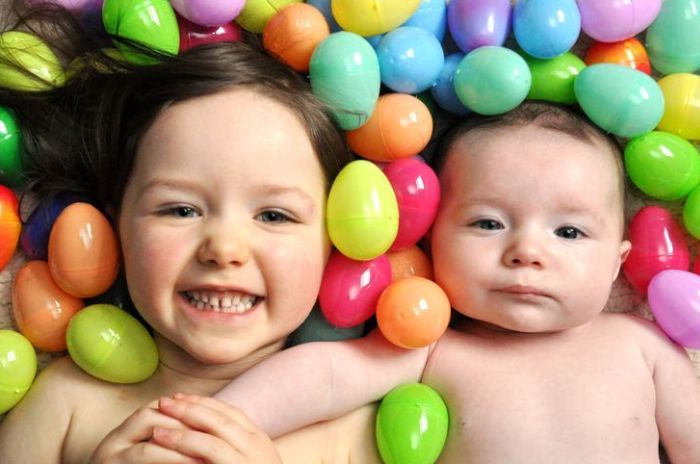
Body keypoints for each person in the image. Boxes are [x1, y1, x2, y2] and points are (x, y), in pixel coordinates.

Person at [157, 101, 700, 463]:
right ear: (431, 238)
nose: (527, 253)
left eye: (569, 231)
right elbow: (322, 376)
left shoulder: (639, 344)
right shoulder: (435, 350)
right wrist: (221, 422)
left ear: (615, 263)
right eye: (488, 223)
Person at [0, 4, 382, 463]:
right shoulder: (65, 405)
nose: (223, 248)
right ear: (116, 226)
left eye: (275, 216)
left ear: (333, 239)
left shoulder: (352, 435)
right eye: (180, 209)